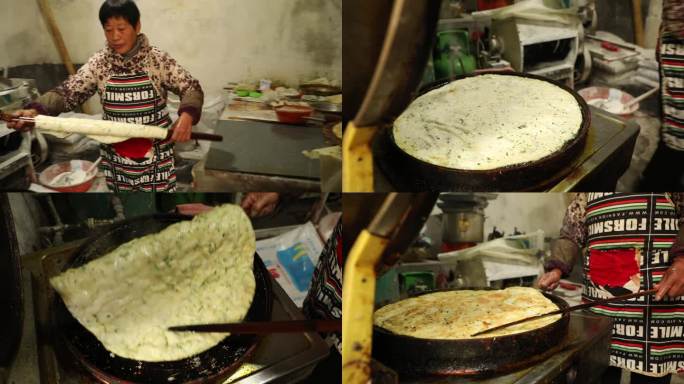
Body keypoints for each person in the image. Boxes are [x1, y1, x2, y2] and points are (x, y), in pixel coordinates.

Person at [8, 0, 203, 192]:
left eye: (121, 28)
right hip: (117, 159)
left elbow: (191, 88)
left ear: (137, 26)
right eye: (108, 30)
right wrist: (35, 110)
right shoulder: (99, 63)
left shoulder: (158, 61)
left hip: (155, 157)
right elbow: (68, 92)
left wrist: (186, 116)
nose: (115, 36)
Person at [538, 193, 684, 383]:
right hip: (602, 305)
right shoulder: (585, 194)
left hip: (655, 304)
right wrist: (557, 267)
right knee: (601, 372)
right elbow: (572, 230)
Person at [640, 0, 684, 190]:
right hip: (676, 41)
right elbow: (676, 15)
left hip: (673, 41)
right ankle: (656, 183)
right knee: (675, 132)